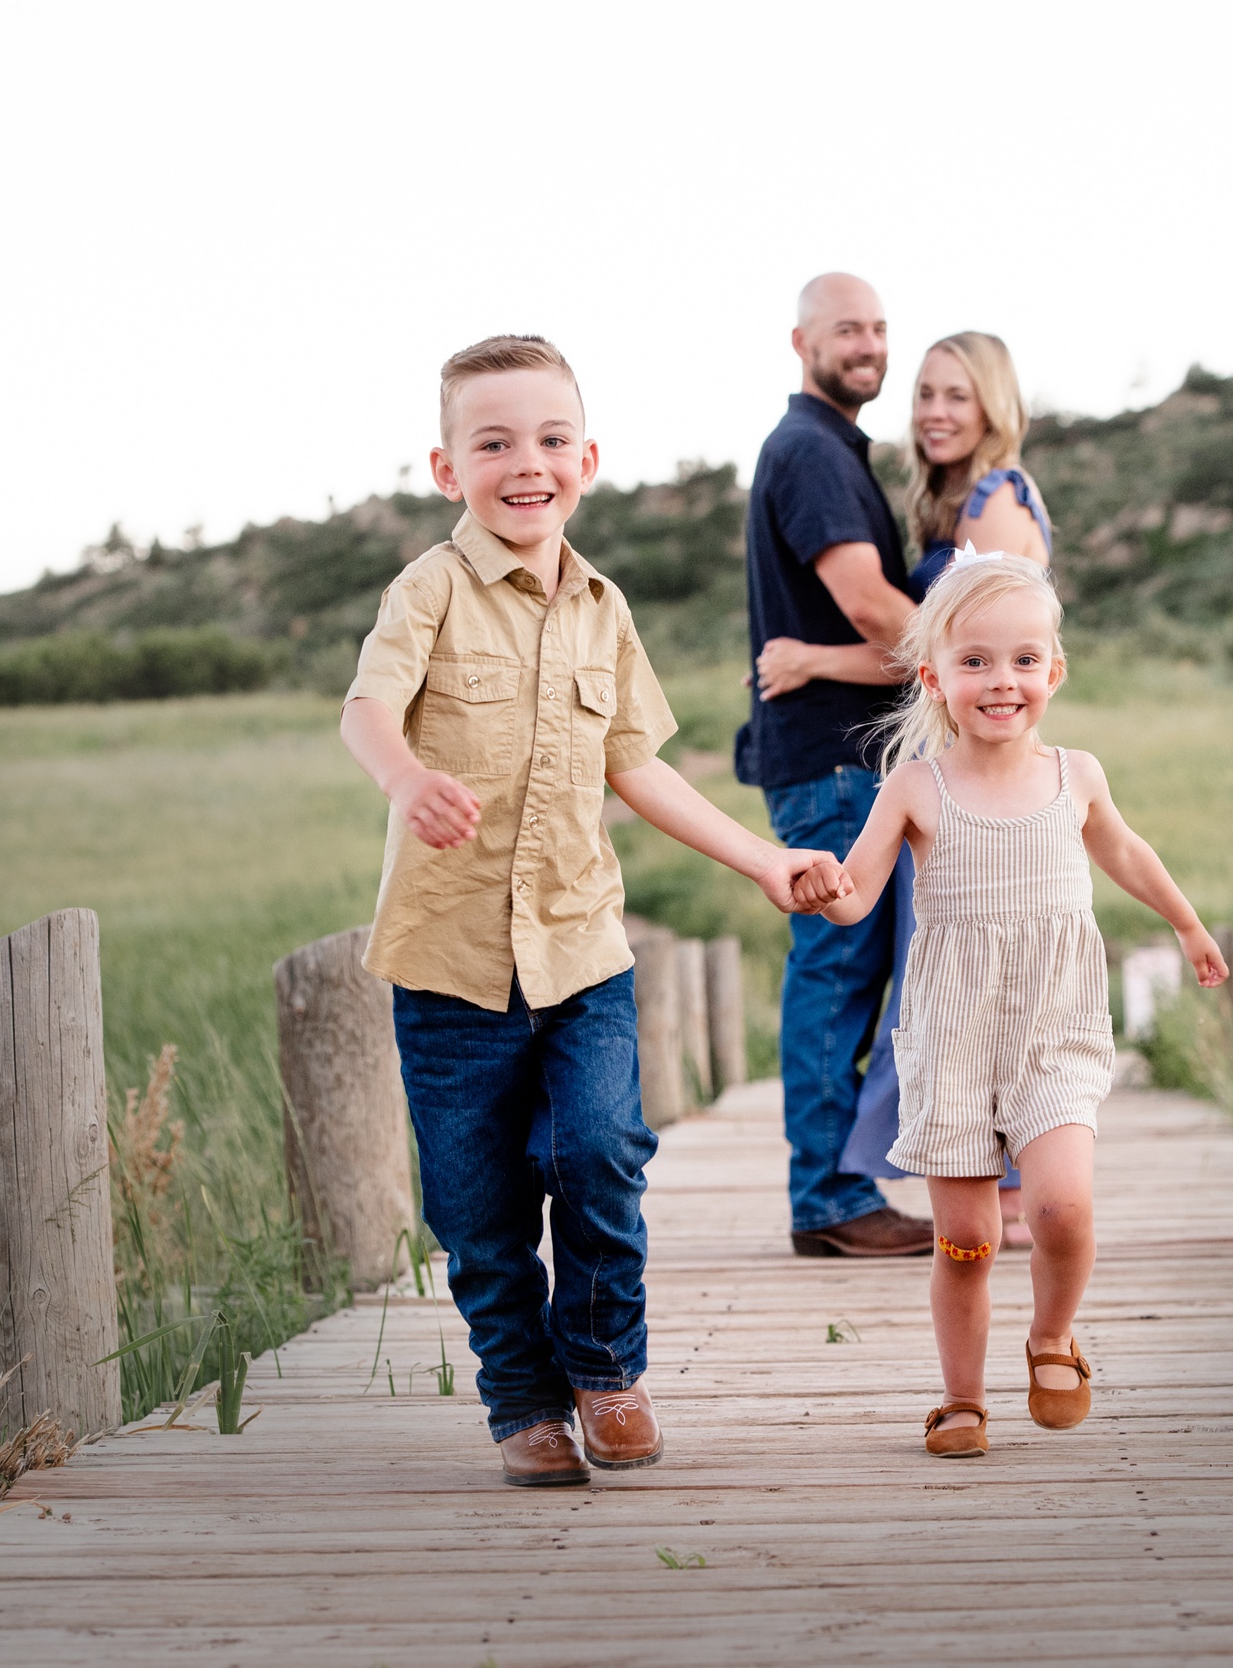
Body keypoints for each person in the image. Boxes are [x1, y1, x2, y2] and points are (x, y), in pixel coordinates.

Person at [341, 335, 843, 1487]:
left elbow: (639, 767)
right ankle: (522, 1401)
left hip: (579, 952)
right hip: (450, 966)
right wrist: (407, 779)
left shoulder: (604, 611)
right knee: (477, 1209)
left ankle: (608, 1370)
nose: (528, 463)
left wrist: (763, 861)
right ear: (445, 465)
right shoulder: (427, 590)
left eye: (551, 439)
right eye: (495, 442)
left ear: (588, 457)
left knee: (604, 1147)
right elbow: (366, 709)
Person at [803, 555, 1227, 1456]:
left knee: (1060, 1209)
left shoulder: (1077, 775)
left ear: (1054, 672)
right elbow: (859, 892)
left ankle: (1051, 1334)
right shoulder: (917, 785)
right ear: (936, 678)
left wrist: (1187, 924)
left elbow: (1126, 852)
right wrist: (821, 888)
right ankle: (961, 1397)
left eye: (1025, 661)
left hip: (1053, 1029)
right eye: (977, 662)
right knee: (966, 1238)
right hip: (954, 1036)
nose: (1003, 682)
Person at [758, 332, 1052, 1244]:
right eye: (925, 393)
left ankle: (996, 1192)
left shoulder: (1000, 505)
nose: (934, 410)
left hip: (980, 780)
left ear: (993, 404)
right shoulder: (946, 508)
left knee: (971, 973)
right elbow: (941, 648)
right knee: (936, 976)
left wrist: (816, 655)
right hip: (940, 774)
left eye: (957, 395)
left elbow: (983, 651)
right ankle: (932, 1190)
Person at [734, 273, 935, 1258]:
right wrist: (976, 653)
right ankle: (825, 1197)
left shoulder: (832, 448)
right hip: (837, 762)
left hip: (847, 756)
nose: (867, 343)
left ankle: (837, 1188)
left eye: (879, 328)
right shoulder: (810, 451)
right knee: (834, 972)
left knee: (846, 974)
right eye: (845, 327)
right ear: (801, 340)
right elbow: (866, 604)